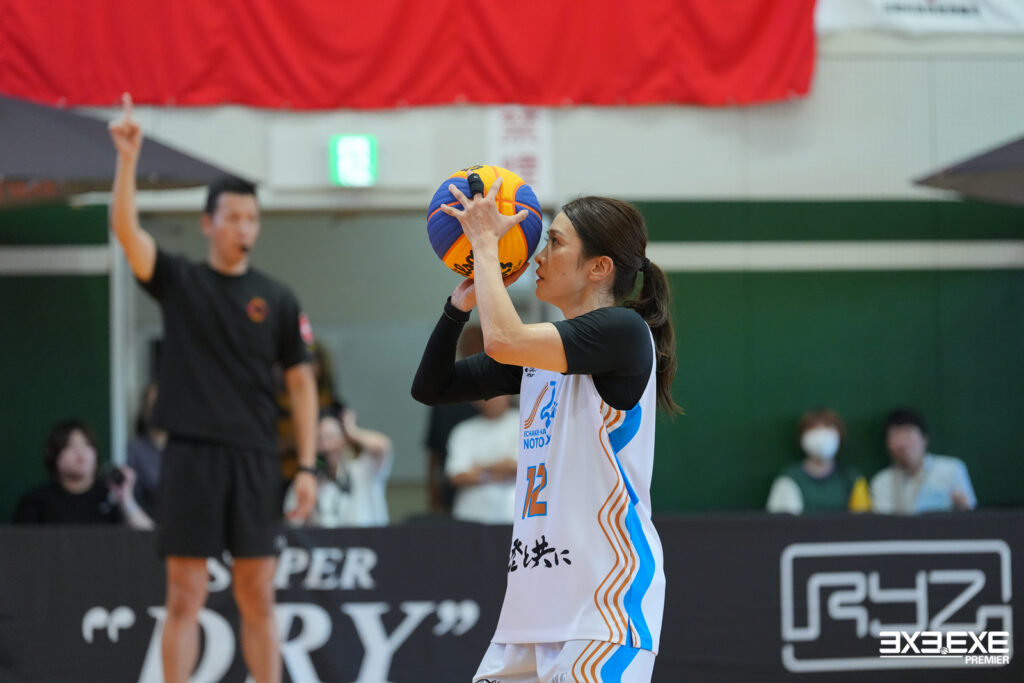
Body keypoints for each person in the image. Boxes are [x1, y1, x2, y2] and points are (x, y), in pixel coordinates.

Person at [412, 180, 678, 682]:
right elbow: (432, 386)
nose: (538, 253)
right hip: (531, 612)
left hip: (604, 607)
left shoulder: (623, 332)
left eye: (554, 242)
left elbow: (503, 338)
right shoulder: (535, 356)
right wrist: (456, 307)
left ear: (599, 268)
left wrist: (485, 246)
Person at [108, 93, 318, 683]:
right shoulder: (180, 280)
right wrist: (128, 160)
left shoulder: (278, 298)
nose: (244, 227)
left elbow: (302, 385)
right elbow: (126, 231)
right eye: (233, 217)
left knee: (258, 595)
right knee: (184, 593)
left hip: (254, 458)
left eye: (252, 218)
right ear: (208, 223)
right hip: (191, 456)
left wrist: (306, 466)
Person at [13, 418, 153, 529]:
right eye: (70, 446)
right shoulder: (36, 502)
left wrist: (126, 499)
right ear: (53, 455)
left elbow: (149, 537)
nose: (80, 453)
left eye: (86, 444)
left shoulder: (112, 495)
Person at [284, 407, 392, 527]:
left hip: (367, 538)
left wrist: (353, 431)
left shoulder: (362, 471)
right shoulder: (308, 482)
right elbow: (292, 523)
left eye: (331, 437)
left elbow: (382, 447)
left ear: (345, 440)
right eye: (319, 439)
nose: (326, 446)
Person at [870, 407, 976, 515]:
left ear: (924, 439)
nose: (901, 443)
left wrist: (963, 507)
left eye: (908, 434)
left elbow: (970, 514)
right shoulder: (881, 482)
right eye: (895, 436)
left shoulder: (952, 469)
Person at [765, 407, 871, 515]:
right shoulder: (789, 478)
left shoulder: (853, 479)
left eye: (828, 427)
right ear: (802, 437)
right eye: (813, 428)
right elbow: (781, 522)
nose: (821, 435)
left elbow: (863, 519)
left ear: (839, 435)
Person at [424, 324, 483, 514]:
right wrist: (432, 487)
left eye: (474, 343)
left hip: (488, 486)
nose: (468, 348)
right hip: (451, 485)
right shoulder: (444, 391)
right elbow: (433, 448)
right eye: (464, 344)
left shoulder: (497, 390)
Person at [445, 394, 520, 523]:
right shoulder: (464, 430)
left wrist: (479, 467)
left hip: (513, 516)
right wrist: (497, 473)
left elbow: (518, 466)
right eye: (490, 393)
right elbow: (456, 475)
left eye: (500, 393)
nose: (495, 398)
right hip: (472, 516)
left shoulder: (525, 423)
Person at [126, 381, 167, 519]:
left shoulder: (184, 450)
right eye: (151, 405)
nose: (157, 410)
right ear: (144, 412)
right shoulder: (134, 450)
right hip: (146, 522)